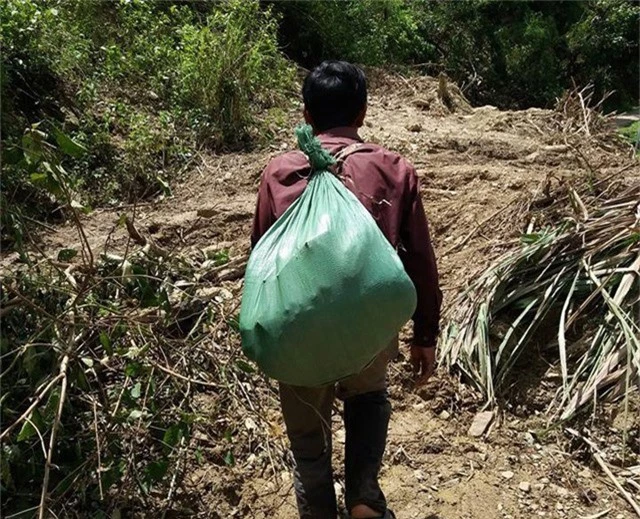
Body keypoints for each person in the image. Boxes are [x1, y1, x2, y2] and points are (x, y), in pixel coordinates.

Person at [250, 61, 442, 519]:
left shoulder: (279, 172)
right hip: (369, 321)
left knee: (308, 443)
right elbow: (419, 259)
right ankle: (363, 498)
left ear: (306, 114)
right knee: (368, 394)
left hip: (297, 323)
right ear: (363, 111)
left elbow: (260, 258)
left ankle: (319, 510)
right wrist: (425, 334)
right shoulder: (393, 168)